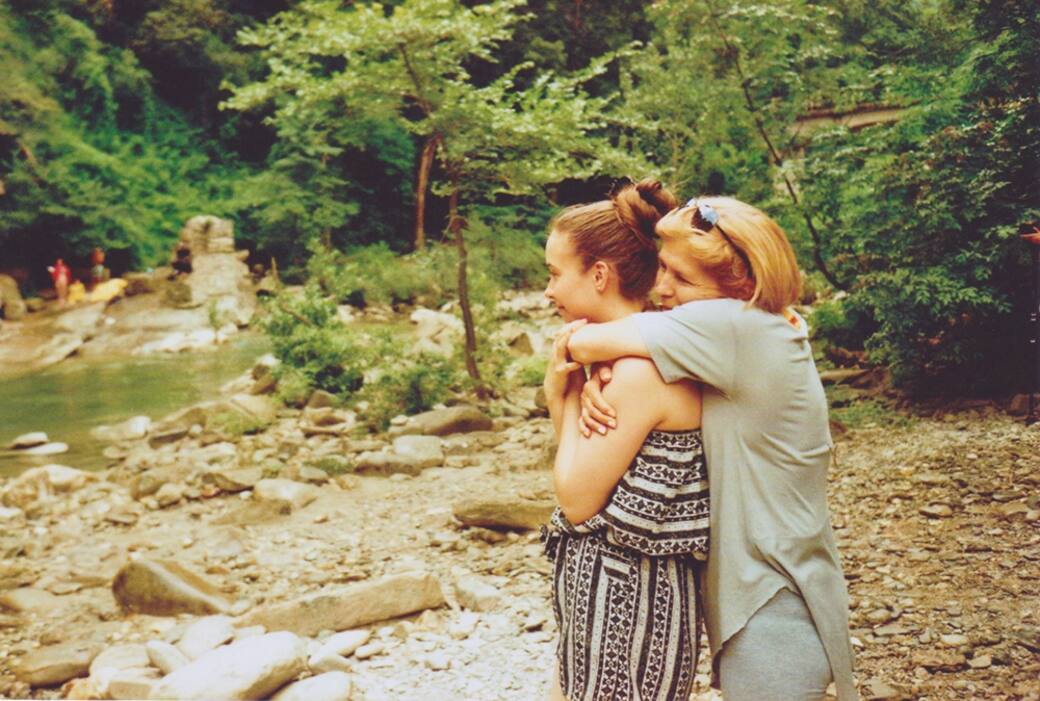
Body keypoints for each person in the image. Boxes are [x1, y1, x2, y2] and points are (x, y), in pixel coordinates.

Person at [566, 196, 858, 700]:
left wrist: (586, 375)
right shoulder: (763, 327)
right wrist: (602, 376)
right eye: (662, 267)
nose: (661, 288)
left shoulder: (734, 325)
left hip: (771, 609)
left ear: (738, 288)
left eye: (681, 277)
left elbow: (581, 343)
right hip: (779, 594)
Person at [541, 179, 710, 701]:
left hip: (626, 600)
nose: (547, 291)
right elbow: (583, 465)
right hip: (621, 591)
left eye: (554, 273)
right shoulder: (632, 353)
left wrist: (560, 395)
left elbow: (576, 501)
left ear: (599, 274)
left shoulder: (638, 373)